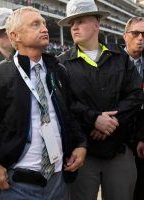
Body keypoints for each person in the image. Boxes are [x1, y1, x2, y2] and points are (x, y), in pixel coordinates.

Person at [0, 6, 87, 200]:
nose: (44, 28)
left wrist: (80, 144)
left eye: (44, 23)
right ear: (15, 35)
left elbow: (69, 113)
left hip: (58, 181)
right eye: (35, 24)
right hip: (15, 184)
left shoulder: (58, 71)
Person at [57, 0, 143, 200]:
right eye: (72, 24)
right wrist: (94, 119)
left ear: (97, 23)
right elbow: (65, 103)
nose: (75, 27)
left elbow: (136, 94)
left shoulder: (119, 56)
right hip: (81, 152)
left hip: (119, 148)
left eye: (80, 21)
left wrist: (111, 122)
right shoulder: (62, 64)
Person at [123, 16, 144, 200]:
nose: (140, 38)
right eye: (135, 33)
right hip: (120, 138)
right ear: (125, 36)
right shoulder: (112, 62)